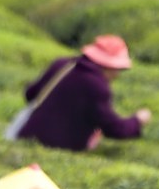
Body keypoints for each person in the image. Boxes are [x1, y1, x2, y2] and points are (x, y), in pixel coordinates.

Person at [9, 35, 149, 152]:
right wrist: (137, 121)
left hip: (24, 136)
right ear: (108, 66)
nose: (117, 74)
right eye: (118, 69)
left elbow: (30, 94)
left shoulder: (63, 64)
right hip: (56, 149)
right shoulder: (98, 86)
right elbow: (113, 128)